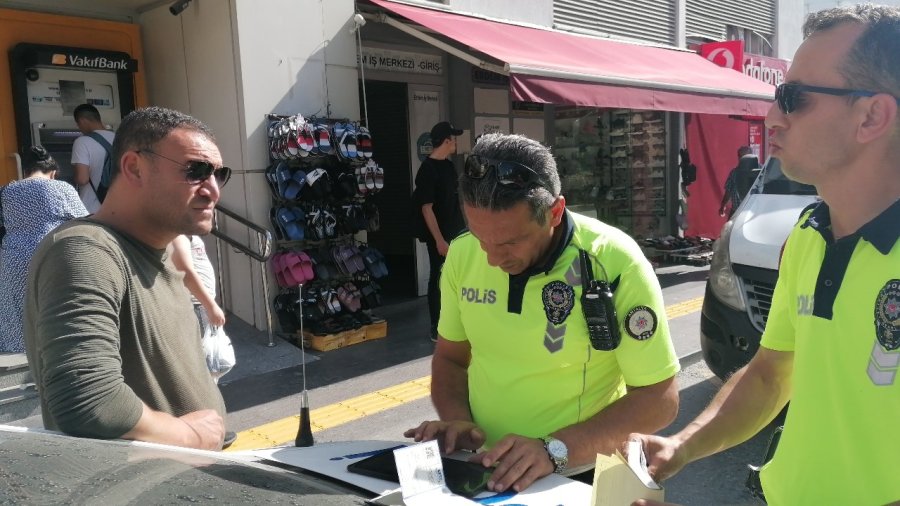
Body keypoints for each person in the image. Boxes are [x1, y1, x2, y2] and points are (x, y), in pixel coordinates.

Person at [629, 6, 900, 505]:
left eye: (794, 98)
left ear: (871, 116)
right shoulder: (809, 234)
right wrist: (681, 446)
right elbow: (772, 373)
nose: (773, 116)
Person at [405, 133, 680, 493]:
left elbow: (659, 399)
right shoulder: (462, 253)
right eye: (480, 237)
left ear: (555, 212)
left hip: (584, 471)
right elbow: (451, 359)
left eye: (510, 242)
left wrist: (555, 449)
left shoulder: (615, 261)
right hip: (489, 469)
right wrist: (458, 422)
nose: (492, 258)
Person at [24, 106, 233, 450]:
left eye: (219, 174)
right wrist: (192, 436)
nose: (213, 190)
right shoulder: (87, 250)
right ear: (134, 167)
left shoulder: (160, 248)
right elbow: (88, 400)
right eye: (196, 171)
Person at [0, 146, 88, 353]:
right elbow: (84, 222)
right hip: (52, 252)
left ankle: (24, 353)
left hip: (14, 257)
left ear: (25, 171)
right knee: (56, 305)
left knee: (21, 309)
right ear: (53, 172)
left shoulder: (6, 191)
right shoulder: (62, 188)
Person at [413, 121, 467, 341]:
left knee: (458, 278)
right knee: (438, 278)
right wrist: (439, 240)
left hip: (457, 233)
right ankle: (436, 326)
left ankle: (457, 321)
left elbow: (456, 200)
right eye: (453, 139)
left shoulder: (448, 166)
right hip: (440, 236)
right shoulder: (427, 170)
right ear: (446, 141)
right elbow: (426, 208)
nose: (455, 142)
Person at [72, 103, 115, 213]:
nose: (79, 128)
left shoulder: (82, 142)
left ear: (82, 120)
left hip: (92, 209)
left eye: (78, 124)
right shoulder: (119, 138)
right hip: (117, 208)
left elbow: (82, 179)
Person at [718, 145, 759, 217]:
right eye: (740, 156)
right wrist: (723, 205)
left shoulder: (761, 171)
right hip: (736, 211)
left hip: (754, 212)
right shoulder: (734, 173)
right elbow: (728, 191)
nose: (742, 159)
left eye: (745, 156)